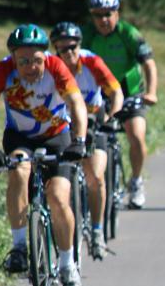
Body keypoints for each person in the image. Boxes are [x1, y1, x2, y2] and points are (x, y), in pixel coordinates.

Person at [0, 24, 88, 286]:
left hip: (57, 135)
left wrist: (79, 140)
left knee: (59, 197)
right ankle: (20, 246)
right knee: (19, 171)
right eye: (23, 61)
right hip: (20, 137)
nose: (31, 67)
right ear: (13, 58)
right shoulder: (3, 71)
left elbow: (77, 104)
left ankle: (68, 268)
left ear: (45, 56)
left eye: (37, 60)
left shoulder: (57, 68)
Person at [50, 21, 124, 259]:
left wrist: (113, 114)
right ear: (55, 50)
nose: (68, 53)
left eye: (72, 47)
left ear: (79, 45)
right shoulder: (51, 68)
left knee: (95, 176)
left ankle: (97, 231)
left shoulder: (92, 62)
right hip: (65, 124)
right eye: (62, 49)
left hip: (93, 119)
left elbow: (115, 91)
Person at [82, 0, 158, 209]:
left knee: (136, 136)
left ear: (117, 13)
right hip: (99, 94)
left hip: (130, 93)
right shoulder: (87, 34)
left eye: (108, 14)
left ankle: (136, 180)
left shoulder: (128, 33)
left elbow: (148, 63)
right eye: (98, 15)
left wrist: (151, 92)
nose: (103, 19)